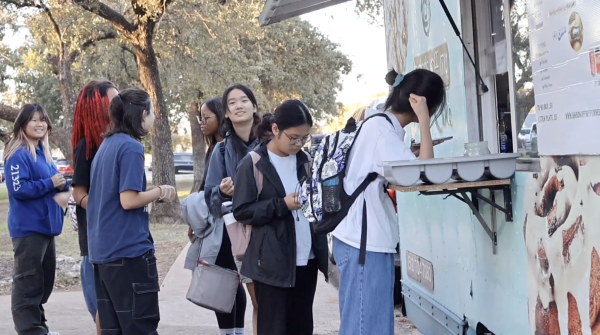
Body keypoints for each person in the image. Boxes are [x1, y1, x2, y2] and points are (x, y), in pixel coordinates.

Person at [332, 68, 446, 335]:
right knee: (365, 327)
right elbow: (422, 174)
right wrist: (425, 123)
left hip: (359, 240)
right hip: (365, 243)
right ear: (423, 103)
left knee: (368, 324)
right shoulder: (382, 132)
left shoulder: (378, 123)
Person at [232, 100, 329, 335]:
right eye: (293, 137)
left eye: (304, 138)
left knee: (302, 326)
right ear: (275, 129)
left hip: (307, 259)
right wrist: (282, 204)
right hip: (272, 265)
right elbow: (242, 211)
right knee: (273, 328)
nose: (298, 143)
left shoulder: (306, 161)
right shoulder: (254, 163)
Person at [86, 88, 176, 334]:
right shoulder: (131, 148)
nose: (153, 118)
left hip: (103, 252)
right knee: (140, 327)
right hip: (128, 252)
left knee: (113, 328)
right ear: (143, 114)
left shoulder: (105, 146)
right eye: (152, 112)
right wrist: (160, 191)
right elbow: (128, 199)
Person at [5, 103, 70, 335]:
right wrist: (50, 183)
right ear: (22, 123)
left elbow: (54, 185)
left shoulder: (43, 154)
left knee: (42, 283)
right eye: (33, 119)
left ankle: (40, 326)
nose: (39, 123)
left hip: (46, 228)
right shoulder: (18, 153)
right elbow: (18, 189)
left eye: (42, 119)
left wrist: (62, 185)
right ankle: (30, 330)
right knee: (27, 283)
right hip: (28, 229)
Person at [204, 84, 260, 335]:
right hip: (241, 236)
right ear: (226, 113)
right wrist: (222, 191)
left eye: (244, 100)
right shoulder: (221, 150)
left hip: (272, 230)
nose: (239, 105)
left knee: (271, 302)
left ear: (254, 106)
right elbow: (210, 197)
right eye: (232, 103)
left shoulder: (270, 143)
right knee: (259, 300)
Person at [70, 80, 118, 334]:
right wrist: (103, 208)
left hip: (117, 241)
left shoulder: (117, 142)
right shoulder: (86, 146)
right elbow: (79, 193)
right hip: (95, 241)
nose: (117, 105)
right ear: (96, 107)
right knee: (103, 310)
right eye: (112, 100)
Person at [187, 97, 226, 241]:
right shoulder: (213, 147)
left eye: (206, 117)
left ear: (221, 116)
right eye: (200, 118)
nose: (202, 123)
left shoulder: (227, 149)